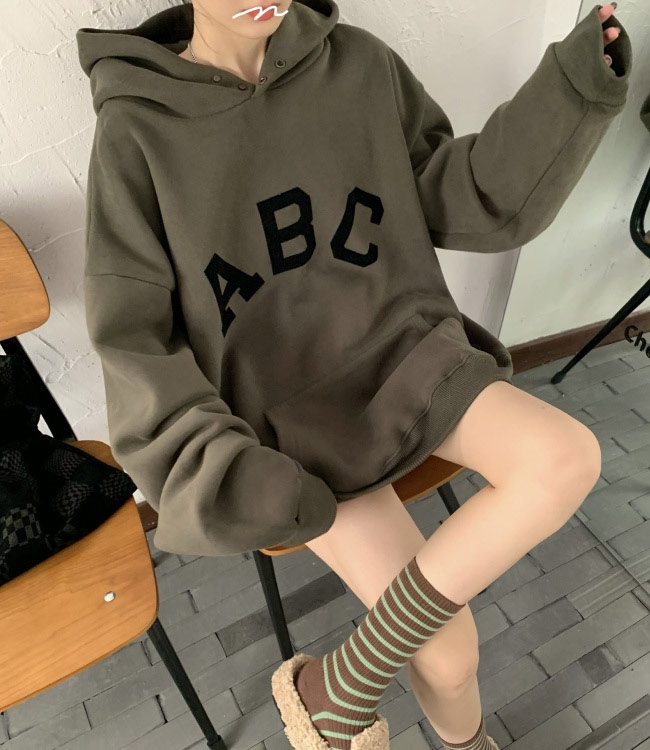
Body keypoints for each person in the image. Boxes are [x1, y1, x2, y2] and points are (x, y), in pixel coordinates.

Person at [76, 2, 631, 749]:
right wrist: (232, 474)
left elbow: (458, 194)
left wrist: (568, 89)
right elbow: (134, 341)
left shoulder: (359, 64)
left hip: (406, 352)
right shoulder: (135, 130)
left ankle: (338, 684)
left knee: (567, 456)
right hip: (290, 423)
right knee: (449, 654)